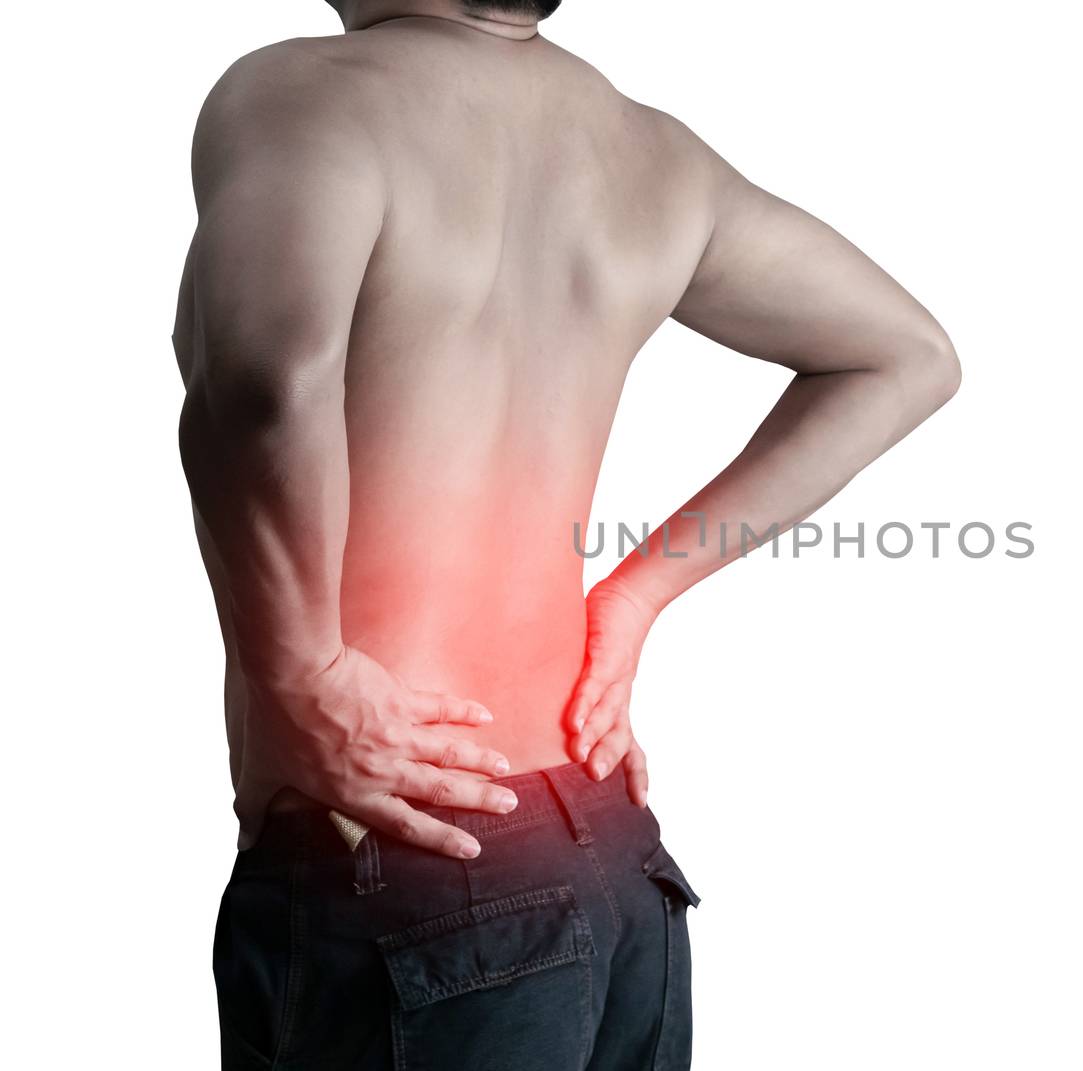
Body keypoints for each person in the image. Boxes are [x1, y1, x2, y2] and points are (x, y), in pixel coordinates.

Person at [174, 0, 960, 1066]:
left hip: (405, 857)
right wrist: (635, 596)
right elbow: (905, 355)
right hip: (613, 865)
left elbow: (267, 377)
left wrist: (304, 666)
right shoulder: (649, 154)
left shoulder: (308, 93)